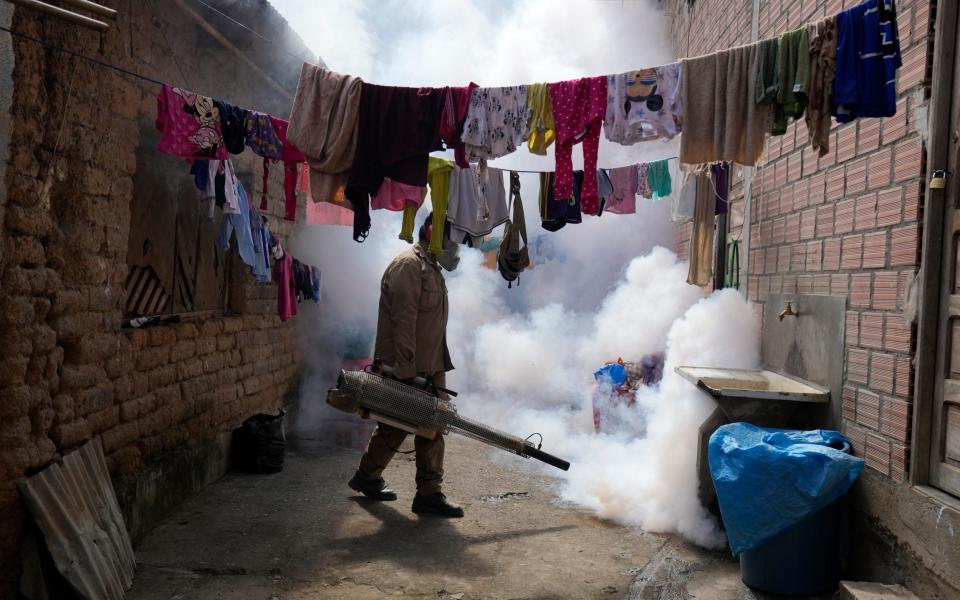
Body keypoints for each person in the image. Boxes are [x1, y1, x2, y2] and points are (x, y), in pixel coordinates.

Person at [348, 213, 464, 517]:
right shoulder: (408, 267)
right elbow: (403, 322)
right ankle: (378, 480)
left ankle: (421, 491)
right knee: (399, 424)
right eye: (451, 240)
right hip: (408, 366)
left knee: (428, 425)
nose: (456, 247)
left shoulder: (431, 268)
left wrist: (433, 368)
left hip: (431, 364)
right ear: (430, 231)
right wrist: (410, 373)